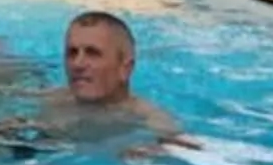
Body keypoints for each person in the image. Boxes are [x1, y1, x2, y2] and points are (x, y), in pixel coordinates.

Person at [43, 9, 185, 147]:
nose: (77, 64)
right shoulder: (51, 100)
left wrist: (152, 151)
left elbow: (181, 147)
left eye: (93, 53)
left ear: (125, 69)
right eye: (72, 53)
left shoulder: (148, 118)